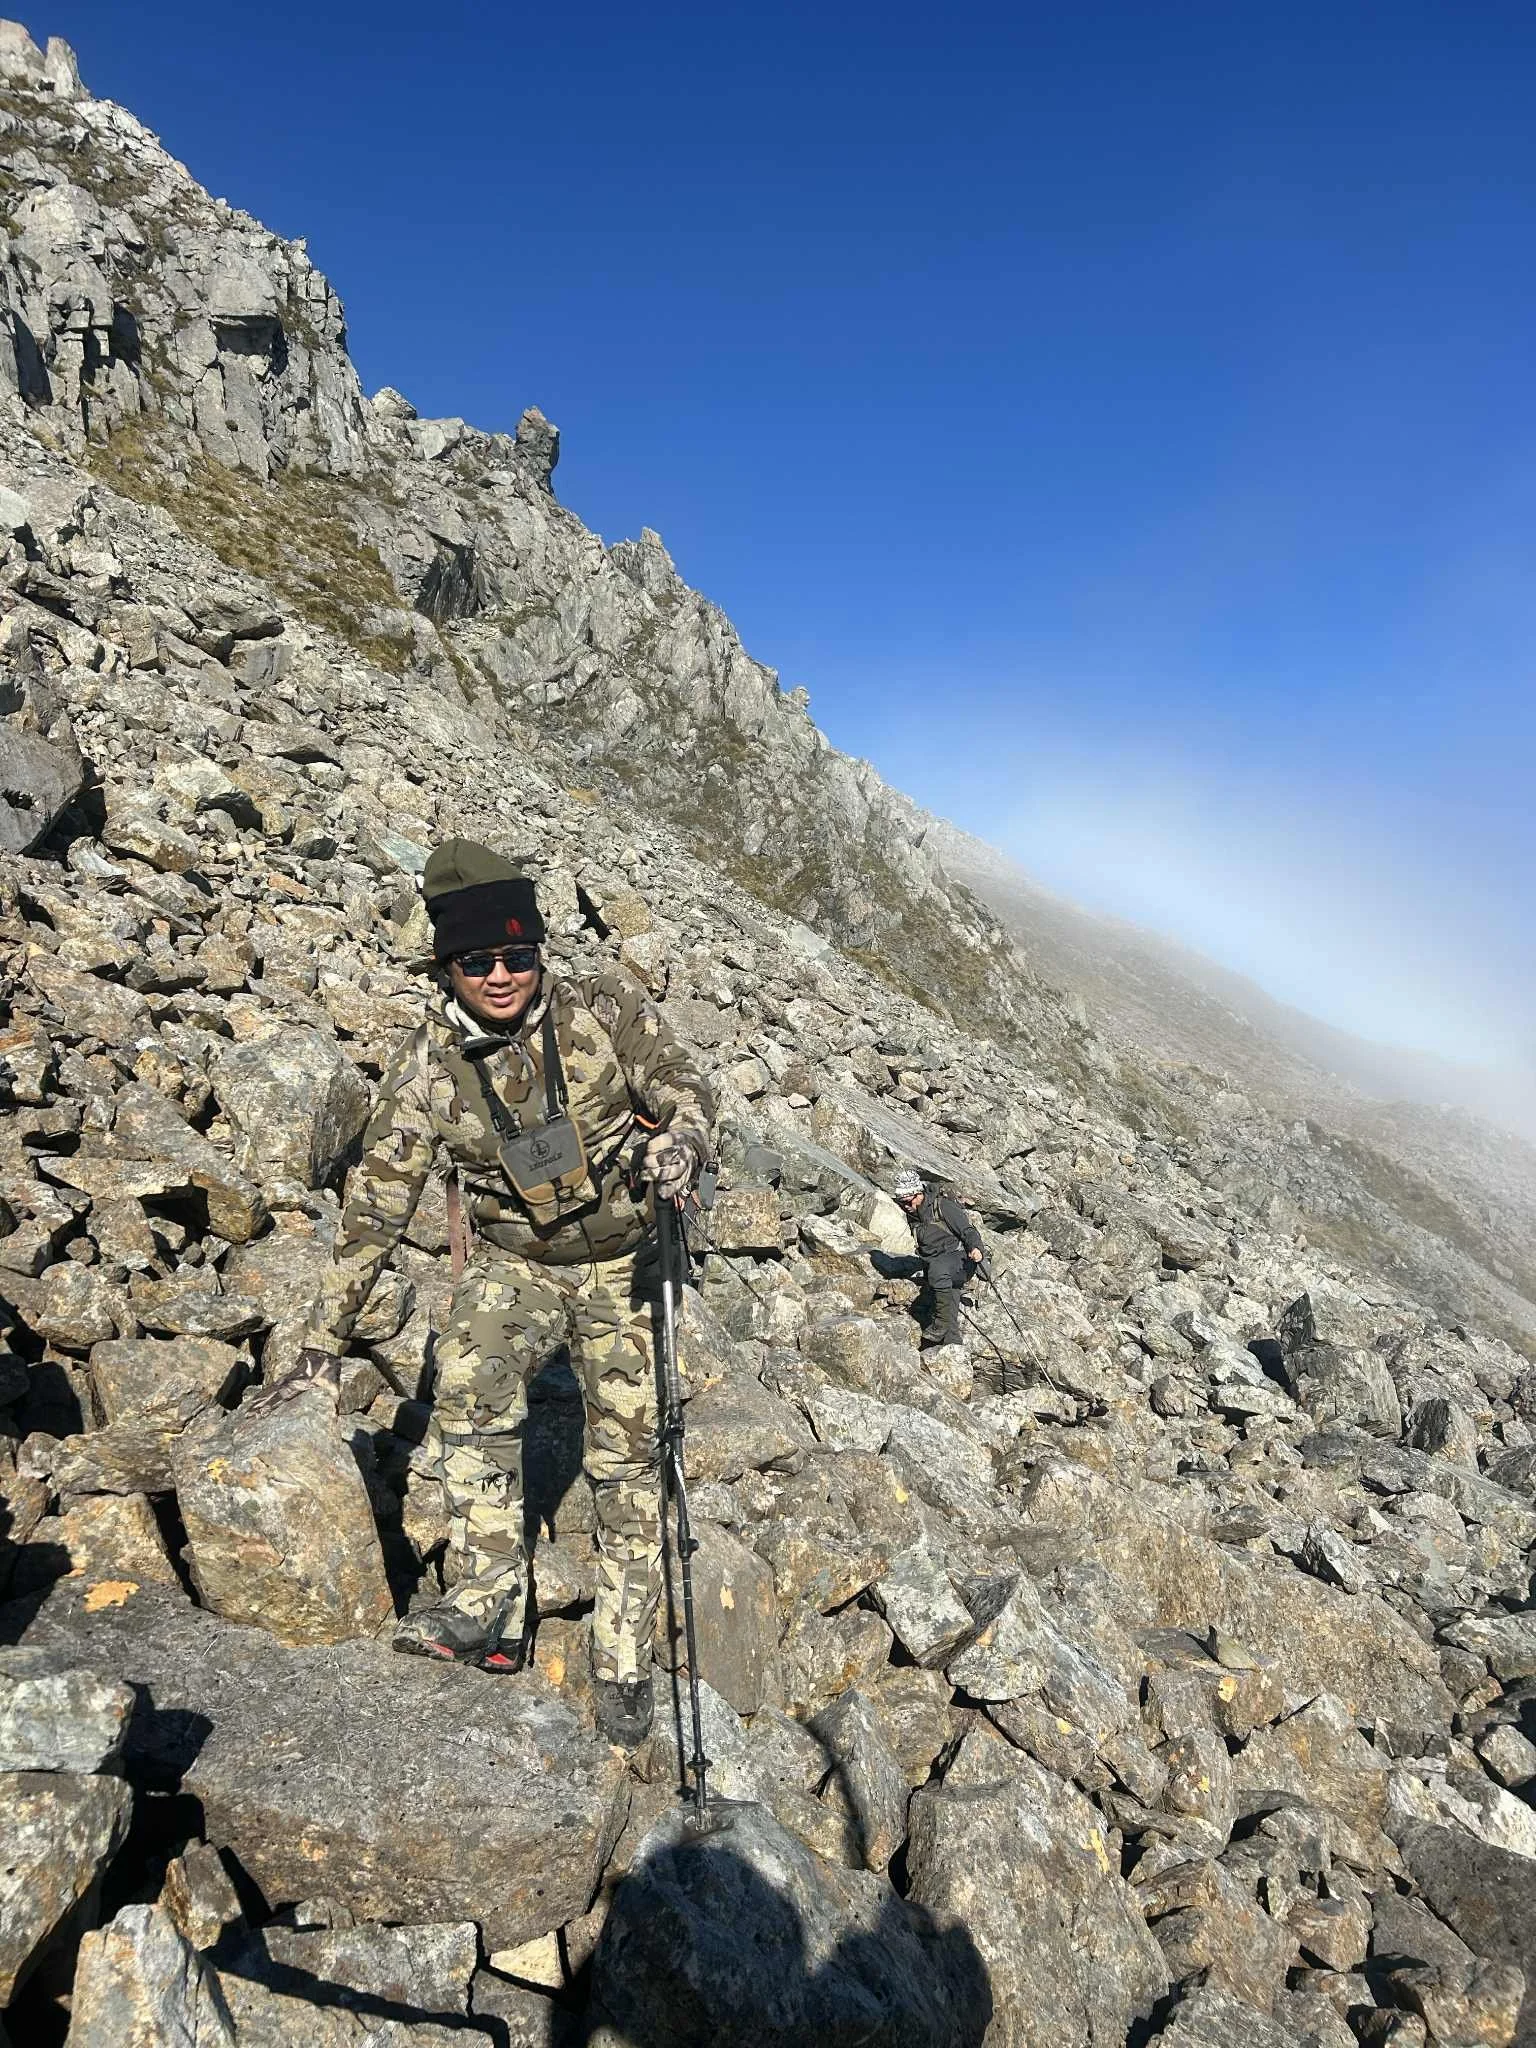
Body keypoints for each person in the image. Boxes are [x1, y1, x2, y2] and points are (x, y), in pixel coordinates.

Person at [268, 839, 713, 1748]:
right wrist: (323, 1340)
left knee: (630, 1454)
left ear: (539, 950)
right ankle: (484, 1608)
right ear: (448, 965)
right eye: (479, 961)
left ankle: (624, 1650)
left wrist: (687, 1141)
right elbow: (375, 1209)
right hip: (517, 1260)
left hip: (628, 1259)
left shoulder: (602, 1009)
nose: (502, 975)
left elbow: (684, 1086)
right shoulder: (430, 1066)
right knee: (466, 1383)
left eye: (518, 955)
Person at [891, 1168, 983, 1350]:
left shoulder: (943, 1206)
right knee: (950, 1318)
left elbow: (968, 1231)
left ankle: (939, 1324)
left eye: (907, 1201)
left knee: (938, 1270)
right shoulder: (913, 1215)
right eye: (901, 1203)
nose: (905, 1206)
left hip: (961, 1261)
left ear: (918, 1194)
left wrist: (976, 1248)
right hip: (940, 1269)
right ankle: (952, 1352)